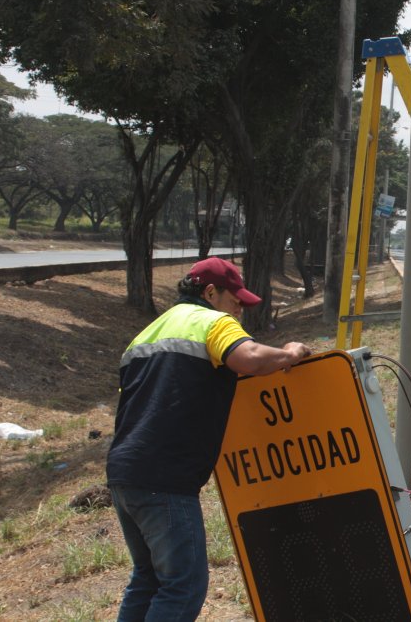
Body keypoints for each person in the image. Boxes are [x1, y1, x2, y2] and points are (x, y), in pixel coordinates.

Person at [107, 257, 313, 621]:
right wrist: (289, 354)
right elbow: (248, 358)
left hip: (124, 471)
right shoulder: (212, 322)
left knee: (148, 579)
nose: (239, 311)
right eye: (236, 300)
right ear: (210, 292)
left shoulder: (147, 333)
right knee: (183, 586)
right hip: (165, 476)